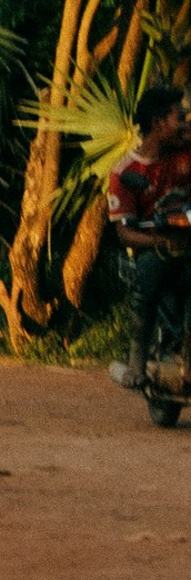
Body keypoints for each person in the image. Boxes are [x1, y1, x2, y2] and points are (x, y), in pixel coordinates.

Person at [105, 84, 191, 391]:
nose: (185, 124)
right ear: (158, 122)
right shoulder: (125, 172)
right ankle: (137, 359)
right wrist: (163, 243)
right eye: (179, 118)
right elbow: (125, 232)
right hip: (155, 249)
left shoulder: (185, 152)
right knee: (150, 272)